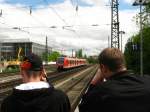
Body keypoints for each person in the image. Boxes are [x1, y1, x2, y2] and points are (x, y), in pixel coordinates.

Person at [79, 48, 150, 112]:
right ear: (123, 64)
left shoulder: (101, 91)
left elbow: (83, 108)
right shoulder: (147, 81)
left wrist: (94, 83)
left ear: (103, 67)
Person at [1, 53, 71, 112]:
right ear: (43, 73)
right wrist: (48, 83)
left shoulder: (7, 103)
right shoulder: (61, 99)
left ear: (22, 73)